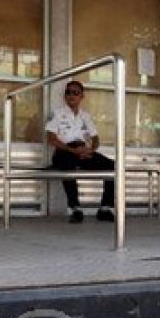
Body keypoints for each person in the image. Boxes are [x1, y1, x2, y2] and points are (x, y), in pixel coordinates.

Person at [45, 80, 115, 223]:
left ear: (82, 96)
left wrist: (90, 150)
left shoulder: (85, 116)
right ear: (65, 96)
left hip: (83, 151)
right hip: (64, 151)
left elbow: (96, 139)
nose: (71, 95)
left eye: (75, 92)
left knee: (112, 166)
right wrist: (73, 150)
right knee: (68, 167)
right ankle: (75, 209)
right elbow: (51, 139)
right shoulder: (56, 114)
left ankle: (105, 209)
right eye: (68, 92)